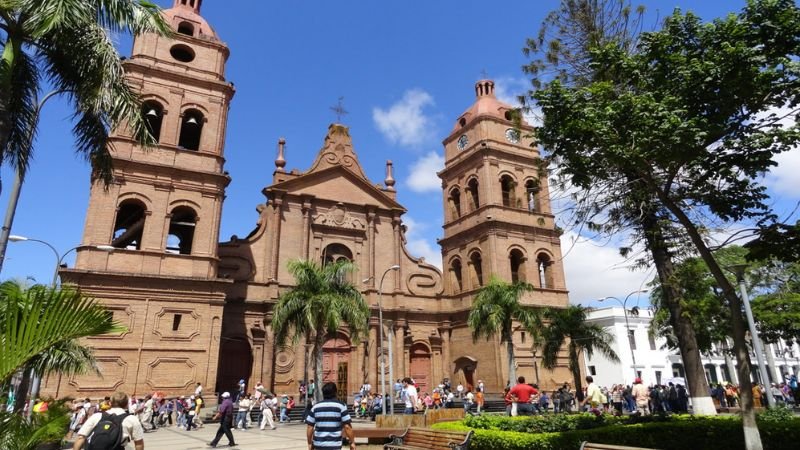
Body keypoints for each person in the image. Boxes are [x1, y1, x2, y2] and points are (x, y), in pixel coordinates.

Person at [73, 391, 144, 450]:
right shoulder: (131, 419)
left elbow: (81, 438)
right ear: (126, 404)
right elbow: (139, 443)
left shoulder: (97, 416)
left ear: (110, 403)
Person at [305, 382, 355, 450]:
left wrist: (309, 443)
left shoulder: (315, 407)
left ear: (323, 393)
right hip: (335, 445)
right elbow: (347, 427)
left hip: (319, 445)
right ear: (335, 392)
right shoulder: (341, 406)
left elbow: (309, 427)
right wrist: (352, 442)